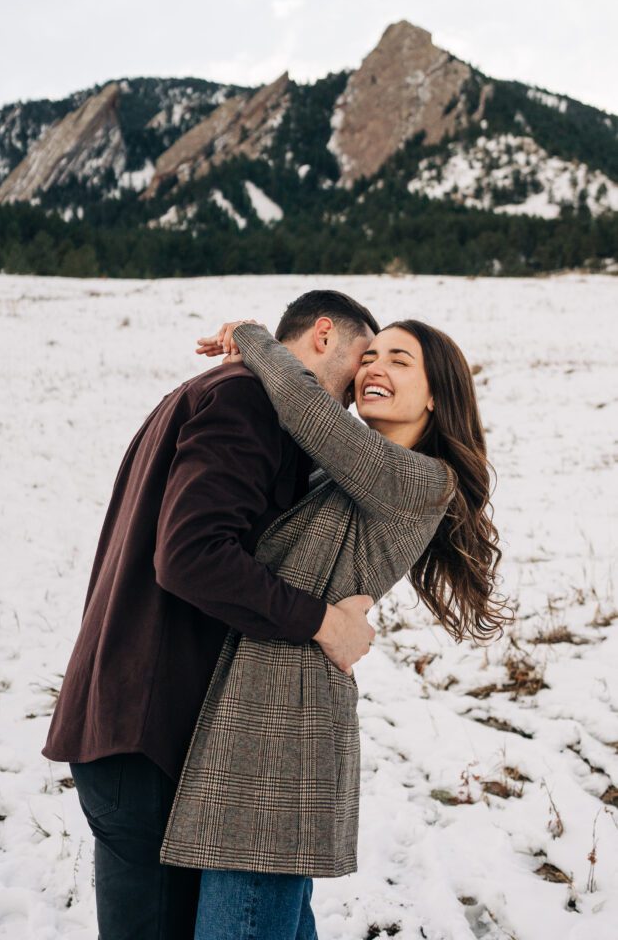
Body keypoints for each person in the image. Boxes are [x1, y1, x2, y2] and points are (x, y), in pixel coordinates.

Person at [41, 290, 382, 940]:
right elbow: (192, 556)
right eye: (361, 358)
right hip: (146, 737)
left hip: (132, 725)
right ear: (320, 334)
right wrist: (321, 621)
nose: (352, 395)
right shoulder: (246, 401)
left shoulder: (218, 390)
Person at [158, 316, 512, 940]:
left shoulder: (421, 480)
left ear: (436, 395)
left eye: (400, 360)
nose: (375, 367)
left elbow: (309, 411)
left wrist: (252, 336)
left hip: (285, 730)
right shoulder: (344, 473)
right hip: (270, 709)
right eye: (370, 355)